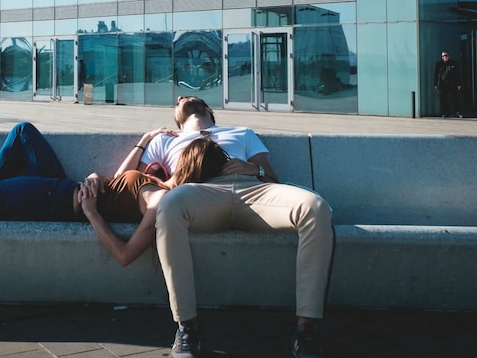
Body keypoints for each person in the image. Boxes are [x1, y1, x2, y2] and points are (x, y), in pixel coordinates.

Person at [0, 121, 228, 268]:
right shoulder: (162, 188)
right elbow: (119, 184)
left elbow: (124, 254)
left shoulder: (162, 201)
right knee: (24, 132)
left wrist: (90, 211)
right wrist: (102, 176)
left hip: (50, 200)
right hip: (61, 187)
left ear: (188, 167)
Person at [136, 96, 334, 358]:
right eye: (178, 100)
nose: (182, 98)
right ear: (177, 116)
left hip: (252, 191)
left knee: (316, 208)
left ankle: (306, 329)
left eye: (189, 97)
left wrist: (253, 168)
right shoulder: (164, 139)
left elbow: (272, 178)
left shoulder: (242, 133)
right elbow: (139, 181)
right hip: (201, 192)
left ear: (209, 110)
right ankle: (187, 327)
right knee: (169, 205)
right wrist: (146, 141)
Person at [434, 50, 462, 118]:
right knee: (443, 100)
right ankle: (445, 113)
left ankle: (457, 112)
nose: (444, 57)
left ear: (448, 56)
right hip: (443, 84)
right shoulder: (439, 64)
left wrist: (459, 84)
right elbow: (436, 74)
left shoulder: (453, 63)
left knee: (454, 99)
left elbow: (458, 74)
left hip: (452, 84)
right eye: (443, 56)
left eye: (446, 55)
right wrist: (435, 84)